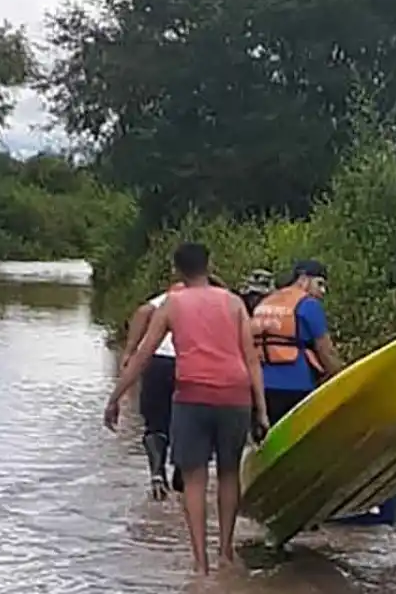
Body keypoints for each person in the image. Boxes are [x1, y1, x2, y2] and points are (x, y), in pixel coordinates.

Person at [103, 242, 270, 574]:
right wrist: (261, 409)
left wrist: (115, 397)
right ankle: (226, 551)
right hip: (235, 395)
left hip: (193, 395)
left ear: (176, 270)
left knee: (194, 479)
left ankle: (201, 563)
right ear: (210, 265)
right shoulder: (234, 303)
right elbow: (251, 359)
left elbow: (143, 355)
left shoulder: (172, 304)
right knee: (228, 473)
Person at [252, 260, 343, 425]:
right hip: (297, 387)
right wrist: (343, 380)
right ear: (303, 279)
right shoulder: (308, 305)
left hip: (262, 388)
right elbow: (327, 352)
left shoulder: (265, 303)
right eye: (319, 284)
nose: (323, 291)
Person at [119, 281, 185, 499]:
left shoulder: (172, 295)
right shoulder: (218, 298)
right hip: (191, 362)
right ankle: (182, 471)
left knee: (155, 423)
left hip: (159, 360)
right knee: (191, 419)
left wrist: (130, 350)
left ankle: (158, 473)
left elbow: (143, 311)